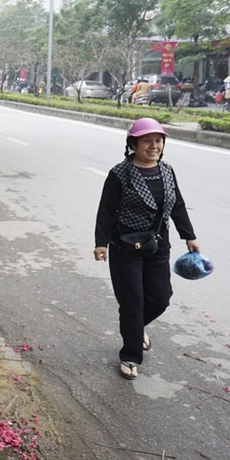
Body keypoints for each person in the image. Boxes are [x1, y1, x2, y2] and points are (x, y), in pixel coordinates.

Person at [93, 118, 200, 380]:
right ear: (134, 144)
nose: (154, 146)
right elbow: (106, 210)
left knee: (161, 298)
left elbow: (177, 205)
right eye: (147, 141)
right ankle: (130, 356)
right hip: (125, 246)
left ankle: (135, 328)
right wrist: (101, 243)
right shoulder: (120, 174)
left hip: (158, 244)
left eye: (158, 141)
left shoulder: (167, 171)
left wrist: (189, 236)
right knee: (132, 302)